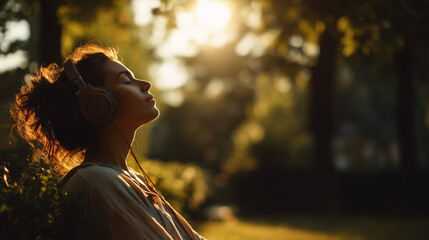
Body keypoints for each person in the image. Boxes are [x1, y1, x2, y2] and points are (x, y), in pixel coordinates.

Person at [12, 44, 205, 239]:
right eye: (127, 81)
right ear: (98, 103)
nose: (145, 84)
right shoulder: (99, 181)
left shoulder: (130, 178)